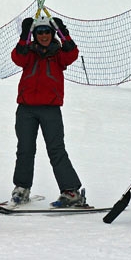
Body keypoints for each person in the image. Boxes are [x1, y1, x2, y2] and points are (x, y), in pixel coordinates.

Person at [10, 15, 83, 207]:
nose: (43, 36)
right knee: (25, 149)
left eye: (47, 32)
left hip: (50, 109)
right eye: (39, 32)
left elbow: (72, 54)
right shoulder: (29, 52)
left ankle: (71, 191)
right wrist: (24, 36)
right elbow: (18, 58)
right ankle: (22, 188)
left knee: (56, 150)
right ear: (34, 35)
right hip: (26, 109)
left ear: (52, 34)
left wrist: (64, 34)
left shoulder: (58, 53)